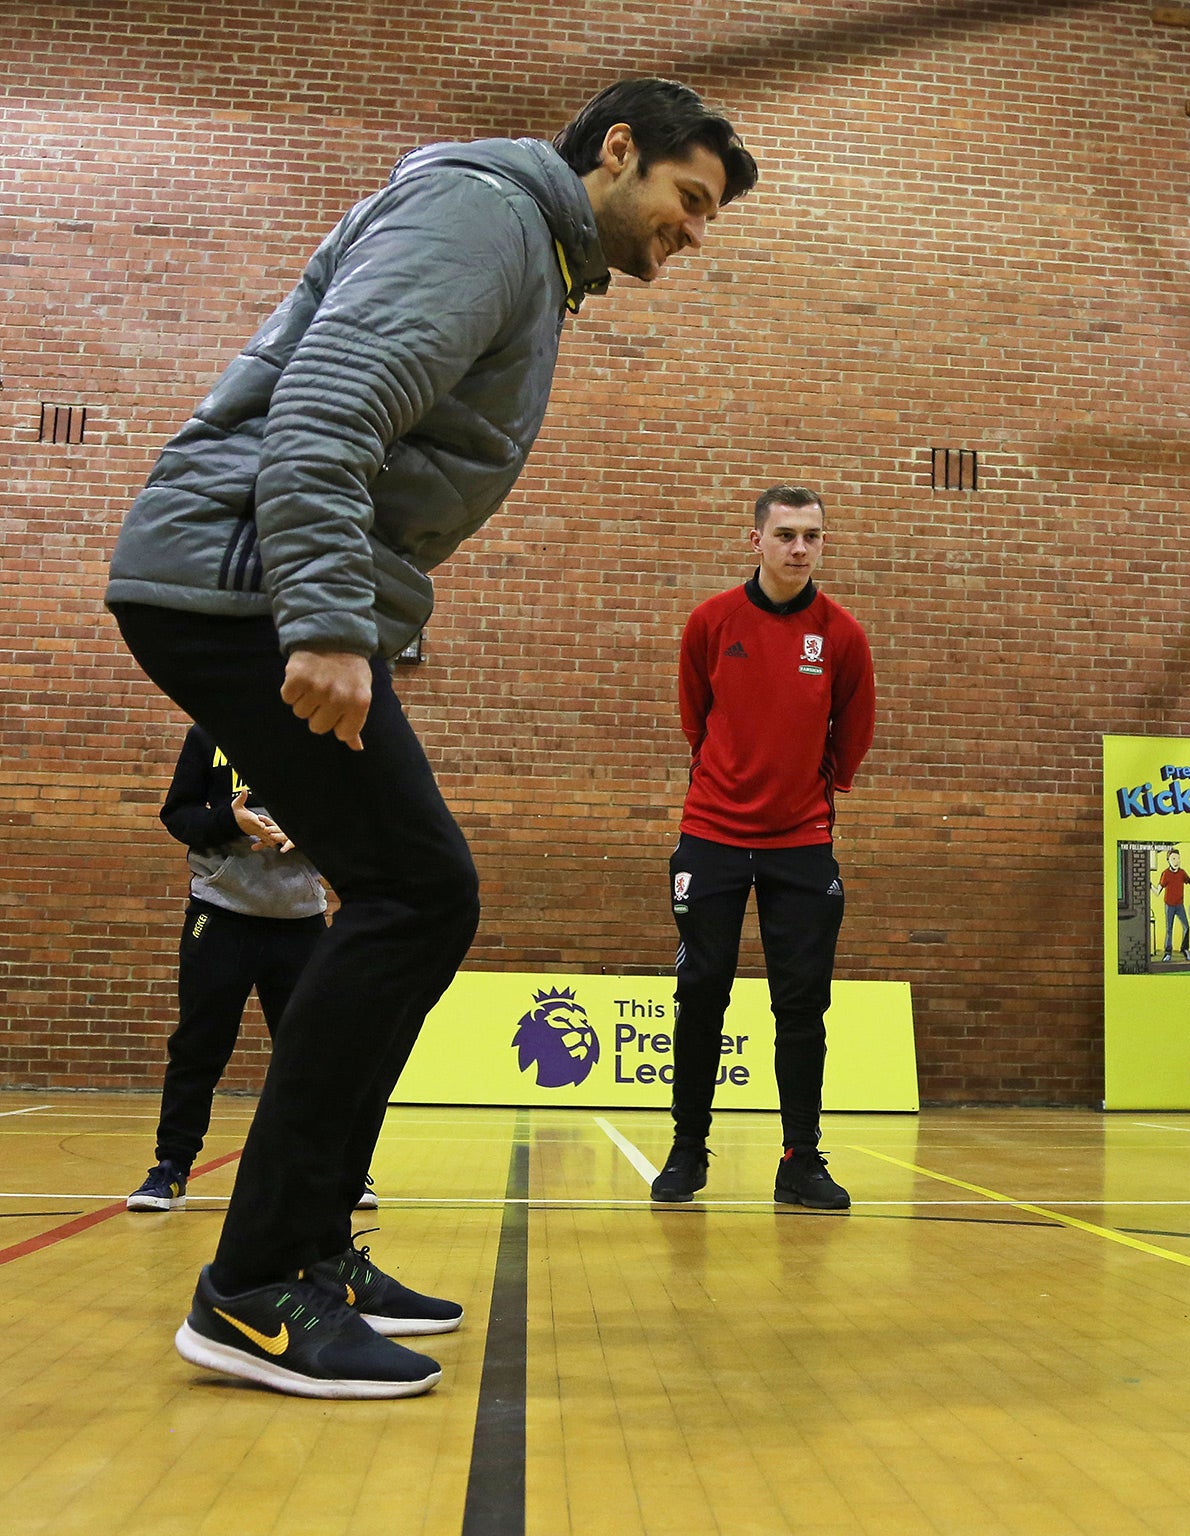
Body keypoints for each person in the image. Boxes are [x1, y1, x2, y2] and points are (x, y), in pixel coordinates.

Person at [104, 78, 758, 1398]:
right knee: (416, 892)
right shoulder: (484, 216)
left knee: (418, 894)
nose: (691, 235)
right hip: (238, 585)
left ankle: (314, 1250)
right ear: (616, 151)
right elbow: (329, 407)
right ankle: (255, 1290)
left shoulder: (527, 247)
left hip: (253, 583)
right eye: (687, 202)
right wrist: (332, 623)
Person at [651, 487, 876, 1212]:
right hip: (712, 836)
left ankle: (800, 1159)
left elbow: (854, 731)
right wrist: (733, 780)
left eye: (812, 535)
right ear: (755, 542)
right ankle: (688, 1152)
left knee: (802, 1005)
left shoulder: (841, 634)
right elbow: (696, 718)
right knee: (701, 994)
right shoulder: (711, 622)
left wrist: (811, 789)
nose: (800, 549)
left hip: (801, 844)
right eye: (785, 535)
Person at [127, 725, 333, 1212]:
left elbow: (358, 825)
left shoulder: (328, 734)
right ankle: (171, 1168)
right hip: (218, 917)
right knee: (198, 1046)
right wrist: (230, 822)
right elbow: (177, 813)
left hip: (300, 923)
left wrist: (305, 834)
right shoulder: (208, 731)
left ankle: (334, 1168)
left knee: (312, 1052)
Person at [1157, 849, 1190, 959]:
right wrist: (1149, 885)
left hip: (1179, 905)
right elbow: (1157, 891)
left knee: (1186, 927)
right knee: (1169, 929)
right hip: (1169, 905)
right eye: (1173, 858)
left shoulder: (1182, 873)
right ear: (1168, 860)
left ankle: (1184, 949)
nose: (1176, 861)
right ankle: (1168, 953)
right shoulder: (1165, 874)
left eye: (1178, 858)